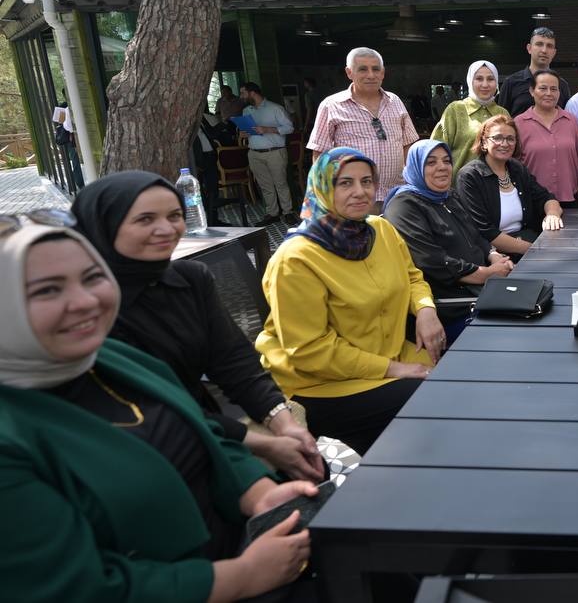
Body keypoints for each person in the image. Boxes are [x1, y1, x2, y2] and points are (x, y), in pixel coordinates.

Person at [1, 219, 315, 601]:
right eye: (47, 290)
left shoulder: (108, 358)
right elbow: (75, 589)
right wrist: (242, 576)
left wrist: (258, 492)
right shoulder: (12, 433)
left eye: (90, 277)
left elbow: (199, 430)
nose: (85, 301)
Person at [70, 171, 324, 482]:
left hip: (206, 417)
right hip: (141, 443)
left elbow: (233, 361)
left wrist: (281, 421)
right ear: (105, 225)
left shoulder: (190, 279)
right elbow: (149, 407)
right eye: (145, 219)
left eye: (174, 215)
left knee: (311, 465)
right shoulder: (86, 309)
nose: (166, 229)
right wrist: (265, 443)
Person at [255, 148, 443, 455]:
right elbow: (310, 351)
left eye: (367, 181)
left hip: (389, 355)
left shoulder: (379, 229)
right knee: (432, 405)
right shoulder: (296, 259)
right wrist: (392, 369)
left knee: (461, 386)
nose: (360, 192)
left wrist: (425, 308)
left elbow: (411, 276)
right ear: (322, 187)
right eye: (345, 183)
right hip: (320, 383)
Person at [384, 140, 515, 345]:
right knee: (516, 335)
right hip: (452, 306)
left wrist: (493, 254)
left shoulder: (448, 196)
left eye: (446, 161)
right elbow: (432, 261)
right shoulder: (404, 206)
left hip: (484, 292)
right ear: (416, 167)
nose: (442, 167)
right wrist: (486, 274)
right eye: (431, 162)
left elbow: (475, 234)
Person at [307, 47, 419, 205]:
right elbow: (320, 153)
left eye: (375, 69)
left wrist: (412, 183)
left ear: (383, 73)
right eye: (362, 69)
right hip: (355, 199)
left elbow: (408, 144)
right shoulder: (331, 105)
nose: (371, 75)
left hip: (397, 194)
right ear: (349, 72)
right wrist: (325, 196)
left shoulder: (395, 101)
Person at [456, 114, 565, 257]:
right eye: (497, 138)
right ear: (484, 142)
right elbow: (484, 230)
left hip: (528, 240)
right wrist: (534, 250)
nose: (505, 144)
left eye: (510, 139)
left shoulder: (516, 168)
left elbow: (546, 197)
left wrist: (552, 214)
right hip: (495, 253)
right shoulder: (469, 176)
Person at [514, 70, 578, 206]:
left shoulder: (570, 120)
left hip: (569, 197)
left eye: (554, 89)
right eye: (543, 88)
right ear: (532, 91)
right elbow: (513, 162)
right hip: (533, 199)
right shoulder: (519, 123)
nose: (549, 93)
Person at [430, 60, 509, 180]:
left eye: (490, 79)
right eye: (479, 79)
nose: (485, 84)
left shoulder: (502, 113)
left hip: (496, 189)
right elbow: (436, 150)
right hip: (458, 188)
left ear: (497, 82)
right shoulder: (455, 110)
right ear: (470, 81)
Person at [240, 81, 295, 225]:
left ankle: (288, 212)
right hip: (254, 153)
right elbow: (248, 131)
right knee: (265, 185)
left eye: (243, 93)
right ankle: (273, 213)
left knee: (281, 183)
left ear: (252, 93)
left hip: (275, 152)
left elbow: (289, 128)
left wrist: (268, 129)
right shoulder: (246, 111)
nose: (241, 96)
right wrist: (245, 133)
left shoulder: (275, 108)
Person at [496, 27, 570, 116]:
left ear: (554, 52)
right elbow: (501, 120)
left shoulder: (561, 85)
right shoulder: (511, 83)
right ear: (529, 48)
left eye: (549, 46)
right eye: (539, 44)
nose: (544, 50)